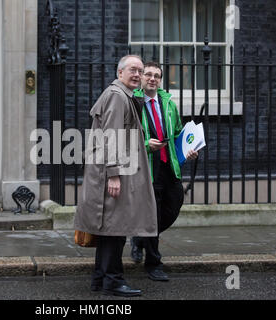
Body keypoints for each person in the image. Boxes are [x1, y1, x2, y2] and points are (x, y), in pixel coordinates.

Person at [74, 55, 158, 297]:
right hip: (110, 175)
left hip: (112, 173)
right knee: (114, 229)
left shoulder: (124, 96)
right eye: (133, 70)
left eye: (140, 71)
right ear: (120, 72)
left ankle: (100, 279)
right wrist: (113, 174)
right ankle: (113, 280)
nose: (137, 75)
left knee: (109, 228)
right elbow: (111, 137)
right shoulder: (117, 96)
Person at [131, 61, 198, 281]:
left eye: (156, 75)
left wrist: (188, 150)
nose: (152, 78)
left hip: (169, 165)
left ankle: (140, 239)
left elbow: (178, 132)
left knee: (173, 206)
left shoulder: (168, 103)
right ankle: (153, 263)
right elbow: (123, 134)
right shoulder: (134, 102)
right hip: (148, 167)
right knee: (153, 214)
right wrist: (143, 143)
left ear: (160, 79)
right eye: (148, 74)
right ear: (141, 78)